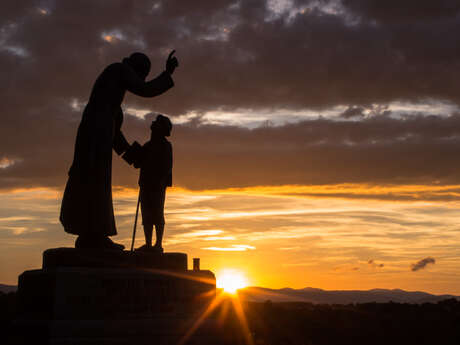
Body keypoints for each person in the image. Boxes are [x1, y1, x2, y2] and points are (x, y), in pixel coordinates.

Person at [60, 51, 178, 250]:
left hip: (97, 136)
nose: (139, 80)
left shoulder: (111, 104)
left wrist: (134, 157)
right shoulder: (118, 70)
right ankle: (92, 235)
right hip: (94, 137)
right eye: (141, 75)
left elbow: (116, 138)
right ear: (136, 69)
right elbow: (146, 89)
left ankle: (94, 234)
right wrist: (167, 73)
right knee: (93, 180)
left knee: (98, 182)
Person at [135, 115, 173, 253]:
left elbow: (167, 166)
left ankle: (158, 244)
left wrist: (158, 179)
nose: (153, 125)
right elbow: (137, 163)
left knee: (157, 213)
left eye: (157, 123)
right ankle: (148, 244)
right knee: (146, 214)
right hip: (146, 184)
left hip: (157, 185)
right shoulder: (147, 146)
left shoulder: (166, 146)